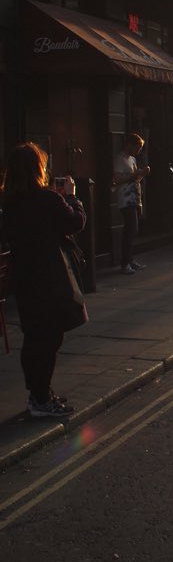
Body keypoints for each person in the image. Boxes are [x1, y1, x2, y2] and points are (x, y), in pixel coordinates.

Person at [2, 142, 86, 418]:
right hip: (50, 276)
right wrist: (72, 197)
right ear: (38, 168)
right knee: (50, 338)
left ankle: (39, 392)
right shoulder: (49, 200)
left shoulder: (9, 203)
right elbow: (75, 222)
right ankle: (39, 399)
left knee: (34, 335)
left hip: (24, 278)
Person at [113, 132, 150, 274]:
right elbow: (118, 179)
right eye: (137, 147)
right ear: (129, 145)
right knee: (130, 229)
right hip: (126, 199)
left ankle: (130, 259)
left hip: (135, 197)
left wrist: (142, 174)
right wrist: (135, 175)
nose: (138, 151)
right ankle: (124, 263)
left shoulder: (132, 159)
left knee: (134, 230)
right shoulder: (120, 159)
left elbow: (135, 179)